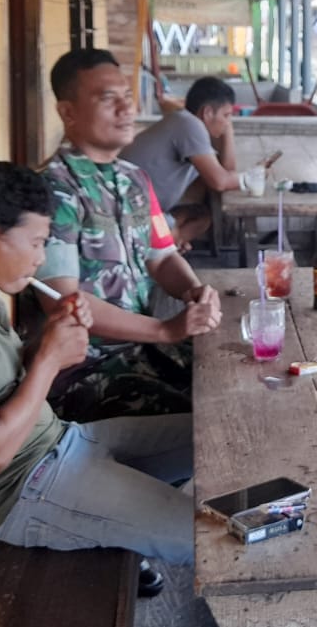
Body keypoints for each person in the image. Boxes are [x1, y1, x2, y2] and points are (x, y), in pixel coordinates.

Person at [0, 160, 193, 571]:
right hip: (25, 489)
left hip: (62, 441)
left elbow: (1, 379)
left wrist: (51, 336)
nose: (41, 260)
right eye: (37, 243)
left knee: (209, 439)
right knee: (202, 535)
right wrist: (48, 360)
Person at [35, 48, 223, 425]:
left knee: (238, 380)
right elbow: (63, 301)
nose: (126, 109)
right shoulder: (52, 190)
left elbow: (163, 258)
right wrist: (164, 329)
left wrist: (194, 292)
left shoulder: (134, 179)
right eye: (108, 99)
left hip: (145, 350)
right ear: (68, 112)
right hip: (88, 369)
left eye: (127, 95)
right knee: (210, 422)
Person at [122, 75, 248, 248]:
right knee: (171, 232)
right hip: (132, 212)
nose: (227, 123)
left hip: (150, 209)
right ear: (207, 113)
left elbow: (227, 171)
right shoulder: (189, 125)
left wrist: (228, 130)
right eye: (226, 115)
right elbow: (220, 182)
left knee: (201, 217)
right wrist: (253, 178)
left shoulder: (190, 126)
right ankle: (165, 247)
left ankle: (169, 246)